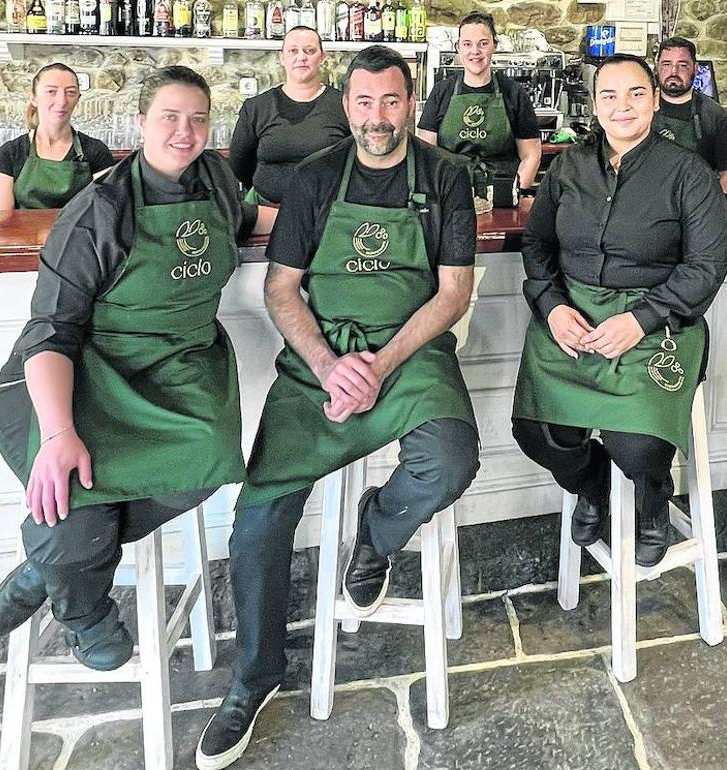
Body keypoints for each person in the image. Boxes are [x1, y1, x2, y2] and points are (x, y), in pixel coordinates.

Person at [195, 45, 480, 770]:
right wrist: (329, 365)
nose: (377, 117)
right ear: (345, 104)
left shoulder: (446, 177)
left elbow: (453, 293)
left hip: (408, 356)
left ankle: (376, 533)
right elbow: (281, 289)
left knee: (448, 460)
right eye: (363, 101)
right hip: (319, 364)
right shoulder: (316, 178)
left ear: (410, 103)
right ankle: (254, 677)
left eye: (391, 101)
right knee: (259, 511)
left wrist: (380, 366)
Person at [0, 66, 275, 672]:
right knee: (70, 501)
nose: (185, 131)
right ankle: (83, 608)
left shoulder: (218, 179)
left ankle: (50, 568)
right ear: (141, 123)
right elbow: (50, 332)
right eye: (169, 116)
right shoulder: (99, 209)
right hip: (86, 373)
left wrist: (315, 217)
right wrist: (60, 434)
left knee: (207, 463)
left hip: (181, 372)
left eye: (198, 118)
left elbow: (245, 223)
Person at [511, 53, 727, 570]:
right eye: (609, 95)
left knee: (638, 445)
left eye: (636, 93)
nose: (622, 105)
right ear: (593, 105)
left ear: (655, 101)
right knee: (538, 432)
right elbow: (538, 245)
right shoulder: (566, 165)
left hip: (653, 323)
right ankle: (595, 488)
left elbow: (707, 263)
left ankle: (652, 498)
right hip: (573, 317)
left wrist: (641, 320)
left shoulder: (688, 173)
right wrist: (552, 305)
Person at [415, 11, 541, 191]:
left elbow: (531, 154)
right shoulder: (441, 92)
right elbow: (426, 153)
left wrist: (514, 193)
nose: (475, 51)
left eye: (483, 43)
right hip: (452, 192)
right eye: (467, 44)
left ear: (494, 46)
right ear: (458, 48)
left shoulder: (514, 93)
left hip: (501, 192)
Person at [228, 25, 350, 204]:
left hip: (327, 212)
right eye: (293, 51)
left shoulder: (345, 106)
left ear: (322, 57)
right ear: (282, 58)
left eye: (310, 50)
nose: (301, 57)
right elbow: (239, 166)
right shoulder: (257, 107)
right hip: (266, 211)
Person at [0, 63, 114, 210]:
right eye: (51, 91)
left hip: (79, 233)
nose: (62, 101)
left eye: (70, 92)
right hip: (24, 233)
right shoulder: (9, 153)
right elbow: (2, 219)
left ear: (78, 99)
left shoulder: (95, 151)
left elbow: (105, 212)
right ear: (34, 98)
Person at [650, 37, 727, 193]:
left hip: (695, 208)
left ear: (695, 68)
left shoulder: (715, 115)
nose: (673, 72)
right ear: (657, 67)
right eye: (666, 64)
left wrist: (713, 211)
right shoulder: (640, 108)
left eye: (682, 65)